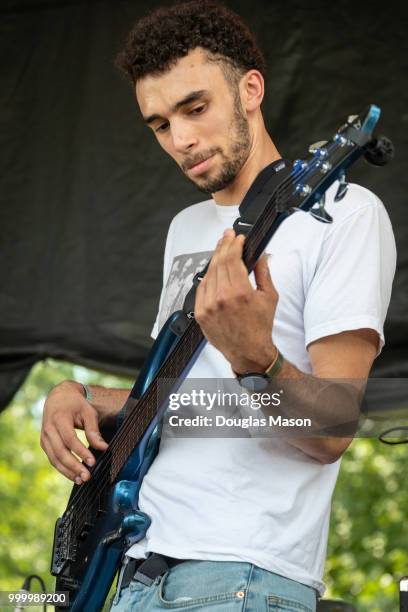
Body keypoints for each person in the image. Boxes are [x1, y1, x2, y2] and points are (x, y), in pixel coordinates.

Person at [40, 1, 396, 610]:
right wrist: (78, 395)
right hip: (135, 565)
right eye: (158, 124)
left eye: (195, 108)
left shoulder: (346, 213)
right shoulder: (185, 227)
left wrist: (258, 359)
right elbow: (183, 398)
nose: (180, 140)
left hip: (242, 572)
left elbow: (334, 429)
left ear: (250, 89)